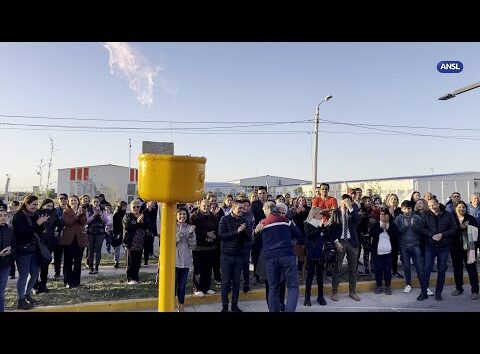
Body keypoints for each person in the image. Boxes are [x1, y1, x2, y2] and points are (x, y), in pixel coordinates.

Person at [255, 201, 302, 312]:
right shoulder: (286, 221)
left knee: (273, 288)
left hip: (270, 257)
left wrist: (256, 232)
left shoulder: (262, 223)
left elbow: (254, 238)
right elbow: (299, 235)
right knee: (292, 287)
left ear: (267, 210)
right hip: (287, 255)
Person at [12, 195, 49, 309]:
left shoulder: (34, 215)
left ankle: (27, 294)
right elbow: (22, 233)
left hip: (34, 249)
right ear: (26, 204)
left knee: (34, 274)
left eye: (37, 204)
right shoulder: (19, 217)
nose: (35, 207)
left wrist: (42, 225)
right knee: (23, 275)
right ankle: (21, 300)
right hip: (23, 250)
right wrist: (38, 223)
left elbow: (37, 230)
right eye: (33, 204)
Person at [418, 198, 458, 301]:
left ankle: (438, 293)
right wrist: (432, 235)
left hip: (444, 247)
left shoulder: (448, 215)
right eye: (430, 206)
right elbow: (421, 228)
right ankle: (423, 293)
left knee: (441, 270)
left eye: (433, 205)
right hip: (430, 247)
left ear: (438, 204)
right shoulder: (426, 214)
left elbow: (454, 228)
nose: (432, 208)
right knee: (426, 270)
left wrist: (442, 234)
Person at [218, 199, 252, 312]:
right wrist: (237, 231)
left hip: (239, 255)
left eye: (243, 208)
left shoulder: (243, 220)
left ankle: (234, 305)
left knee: (237, 282)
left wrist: (245, 230)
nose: (242, 210)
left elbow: (247, 238)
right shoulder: (225, 219)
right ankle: (224, 307)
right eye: (240, 208)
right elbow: (222, 235)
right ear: (233, 208)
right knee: (226, 282)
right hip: (226, 255)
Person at [326, 194, 361, 301]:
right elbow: (330, 229)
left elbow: (357, 222)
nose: (346, 202)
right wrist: (336, 242)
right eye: (344, 200)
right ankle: (334, 292)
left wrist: (351, 208)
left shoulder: (352, 211)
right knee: (337, 268)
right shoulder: (335, 212)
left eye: (348, 201)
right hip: (340, 242)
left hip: (352, 242)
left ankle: (352, 292)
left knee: (353, 269)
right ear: (341, 201)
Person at [451, 201, 479, 300]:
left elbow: (477, 232)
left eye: (464, 207)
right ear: (455, 208)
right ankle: (459, 288)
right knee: (457, 269)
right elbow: (449, 232)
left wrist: (468, 228)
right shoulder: (451, 218)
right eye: (459, 207)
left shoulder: (471, 218)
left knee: (472, 269)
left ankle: (475, 290)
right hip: (455, 249)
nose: (462, 209)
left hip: (470, 249)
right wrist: (460, 228)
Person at [395, 201, 423, 294]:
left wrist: (414, 226)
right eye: (405, 208)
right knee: (406, 266)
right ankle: (408, 284)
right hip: (404, 246)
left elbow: (421, 231)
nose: (407, 210)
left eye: (409, 208)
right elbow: (396, 233)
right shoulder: (398, 218)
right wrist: (404, 226)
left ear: (412, 209)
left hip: (415, 245)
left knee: (419, 265)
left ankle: (424, 285)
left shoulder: (417, 218)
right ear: (402, 209)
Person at [60, 195, 88, 289]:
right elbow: (68, 222)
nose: (73, 202)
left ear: (78, 201)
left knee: (78, 261)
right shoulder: (66, 211)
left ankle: (76, 282)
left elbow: (83, 222)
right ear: (68, 202)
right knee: (68, 261)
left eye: (75, 200)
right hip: (69, 240)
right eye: (71, 200)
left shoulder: (83, 211)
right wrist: (76, 215)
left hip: (80, 239)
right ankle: (67, 281)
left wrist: (80, 214)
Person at [33, 198, 60, 294]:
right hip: (38, 243)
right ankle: (35, 286)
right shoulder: (37, 214)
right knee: (36, 265)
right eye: (47, 206)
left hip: (49, 242)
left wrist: (56, 232)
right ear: (43, 205)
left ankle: (43, 286)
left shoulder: (54, 214)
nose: (49, 208)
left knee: (45, 265)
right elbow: (33, 227)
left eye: (51, 206)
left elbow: (60, 225)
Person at [370, 208, 399, 295]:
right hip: (378, 253)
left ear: (389, 216)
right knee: (378, 270)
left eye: (385, 214)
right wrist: (381, 229)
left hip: (389, 253)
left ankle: (387, 286)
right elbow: (371, 234)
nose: (383, 216)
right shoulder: (376, 225)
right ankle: (379, 286)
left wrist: (387, 229)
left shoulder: (393, 225)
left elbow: (396, 236)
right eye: (381, 215)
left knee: (387, 270)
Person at [123, 199, 151, 284]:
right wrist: (138, 222)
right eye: (134, 207)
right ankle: (130, 278)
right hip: (131, 241)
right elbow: (128, 227)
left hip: (140, 241)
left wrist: (143, 220)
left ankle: (136, 277)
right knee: (130, 261)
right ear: (131, 208)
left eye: (137, 207)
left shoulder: (143, 215)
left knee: (137, 260)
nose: (136, 208)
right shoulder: (128, 216)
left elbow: (148, 225)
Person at [303, 207, 327, 306]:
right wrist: (320, 228)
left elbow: (325, 237)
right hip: (311, 253)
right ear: (314, 214)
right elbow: (309, 235)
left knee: (320, 276)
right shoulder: (307, 224)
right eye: (320, 213)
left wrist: (324, 228)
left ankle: (320, 296)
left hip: (320, 252)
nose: (322, 215)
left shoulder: (321, 224)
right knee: (310, 275)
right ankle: (307, 297)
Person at [175, 207, 196, 312]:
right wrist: (177, 237)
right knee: (173, 285)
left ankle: (181, 305)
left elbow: (193, 244)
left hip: (186, 261)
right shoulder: (172, 226)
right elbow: (168, 243)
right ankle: (172, 303)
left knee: (182, 286)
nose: (182, 216)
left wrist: (191, 234)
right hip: (174, 262)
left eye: (184, 214)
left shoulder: (190, 227)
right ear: (176, 216)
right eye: (180, 214)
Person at [0, 206, 15, 312]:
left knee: (1, 291)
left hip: (5, 265)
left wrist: (11, 251)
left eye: (5, 215)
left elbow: (15, 246)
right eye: (0, 216)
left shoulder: (9, 230)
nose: (3, 218)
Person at [112, 201, 127, 268]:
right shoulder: (121, 214)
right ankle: (125, 261)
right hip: (121, 232)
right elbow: (115, 224)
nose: (126, 207)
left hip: (119, 232)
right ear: (122, 206)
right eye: (125, 206)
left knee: (119, 248)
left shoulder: (118, 213)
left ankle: (117, 261)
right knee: (123, 247)